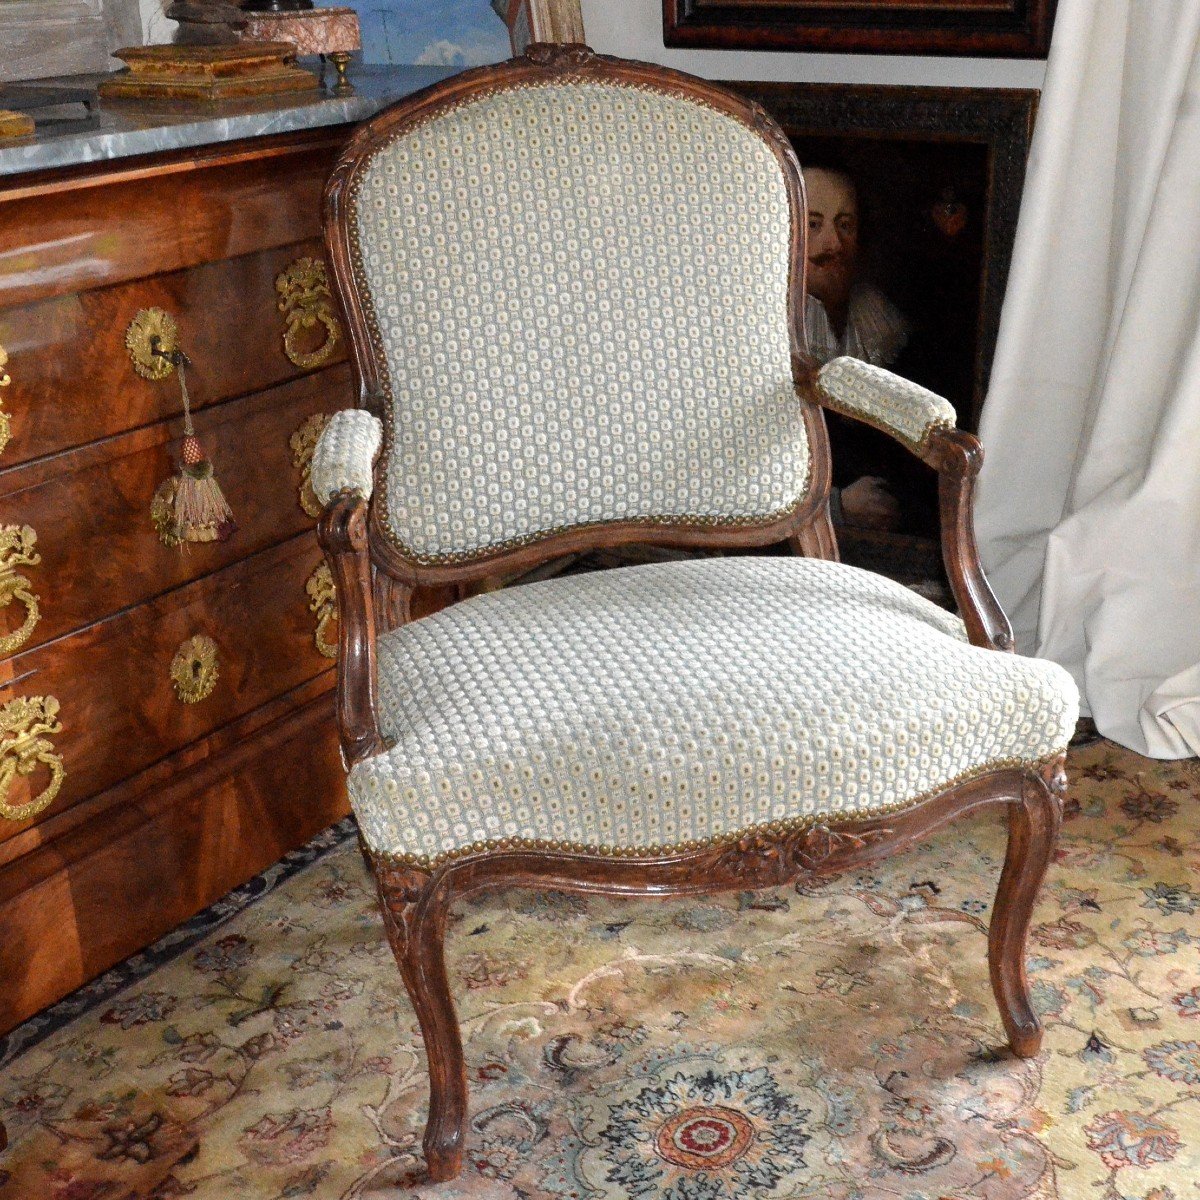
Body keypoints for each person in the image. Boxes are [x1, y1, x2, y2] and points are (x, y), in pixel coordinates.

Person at [802, 165, 910, 531]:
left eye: (844, 225)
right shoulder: (768, 325)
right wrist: (838, 505)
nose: (833, 245)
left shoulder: (882, 324)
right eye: (814, 224)